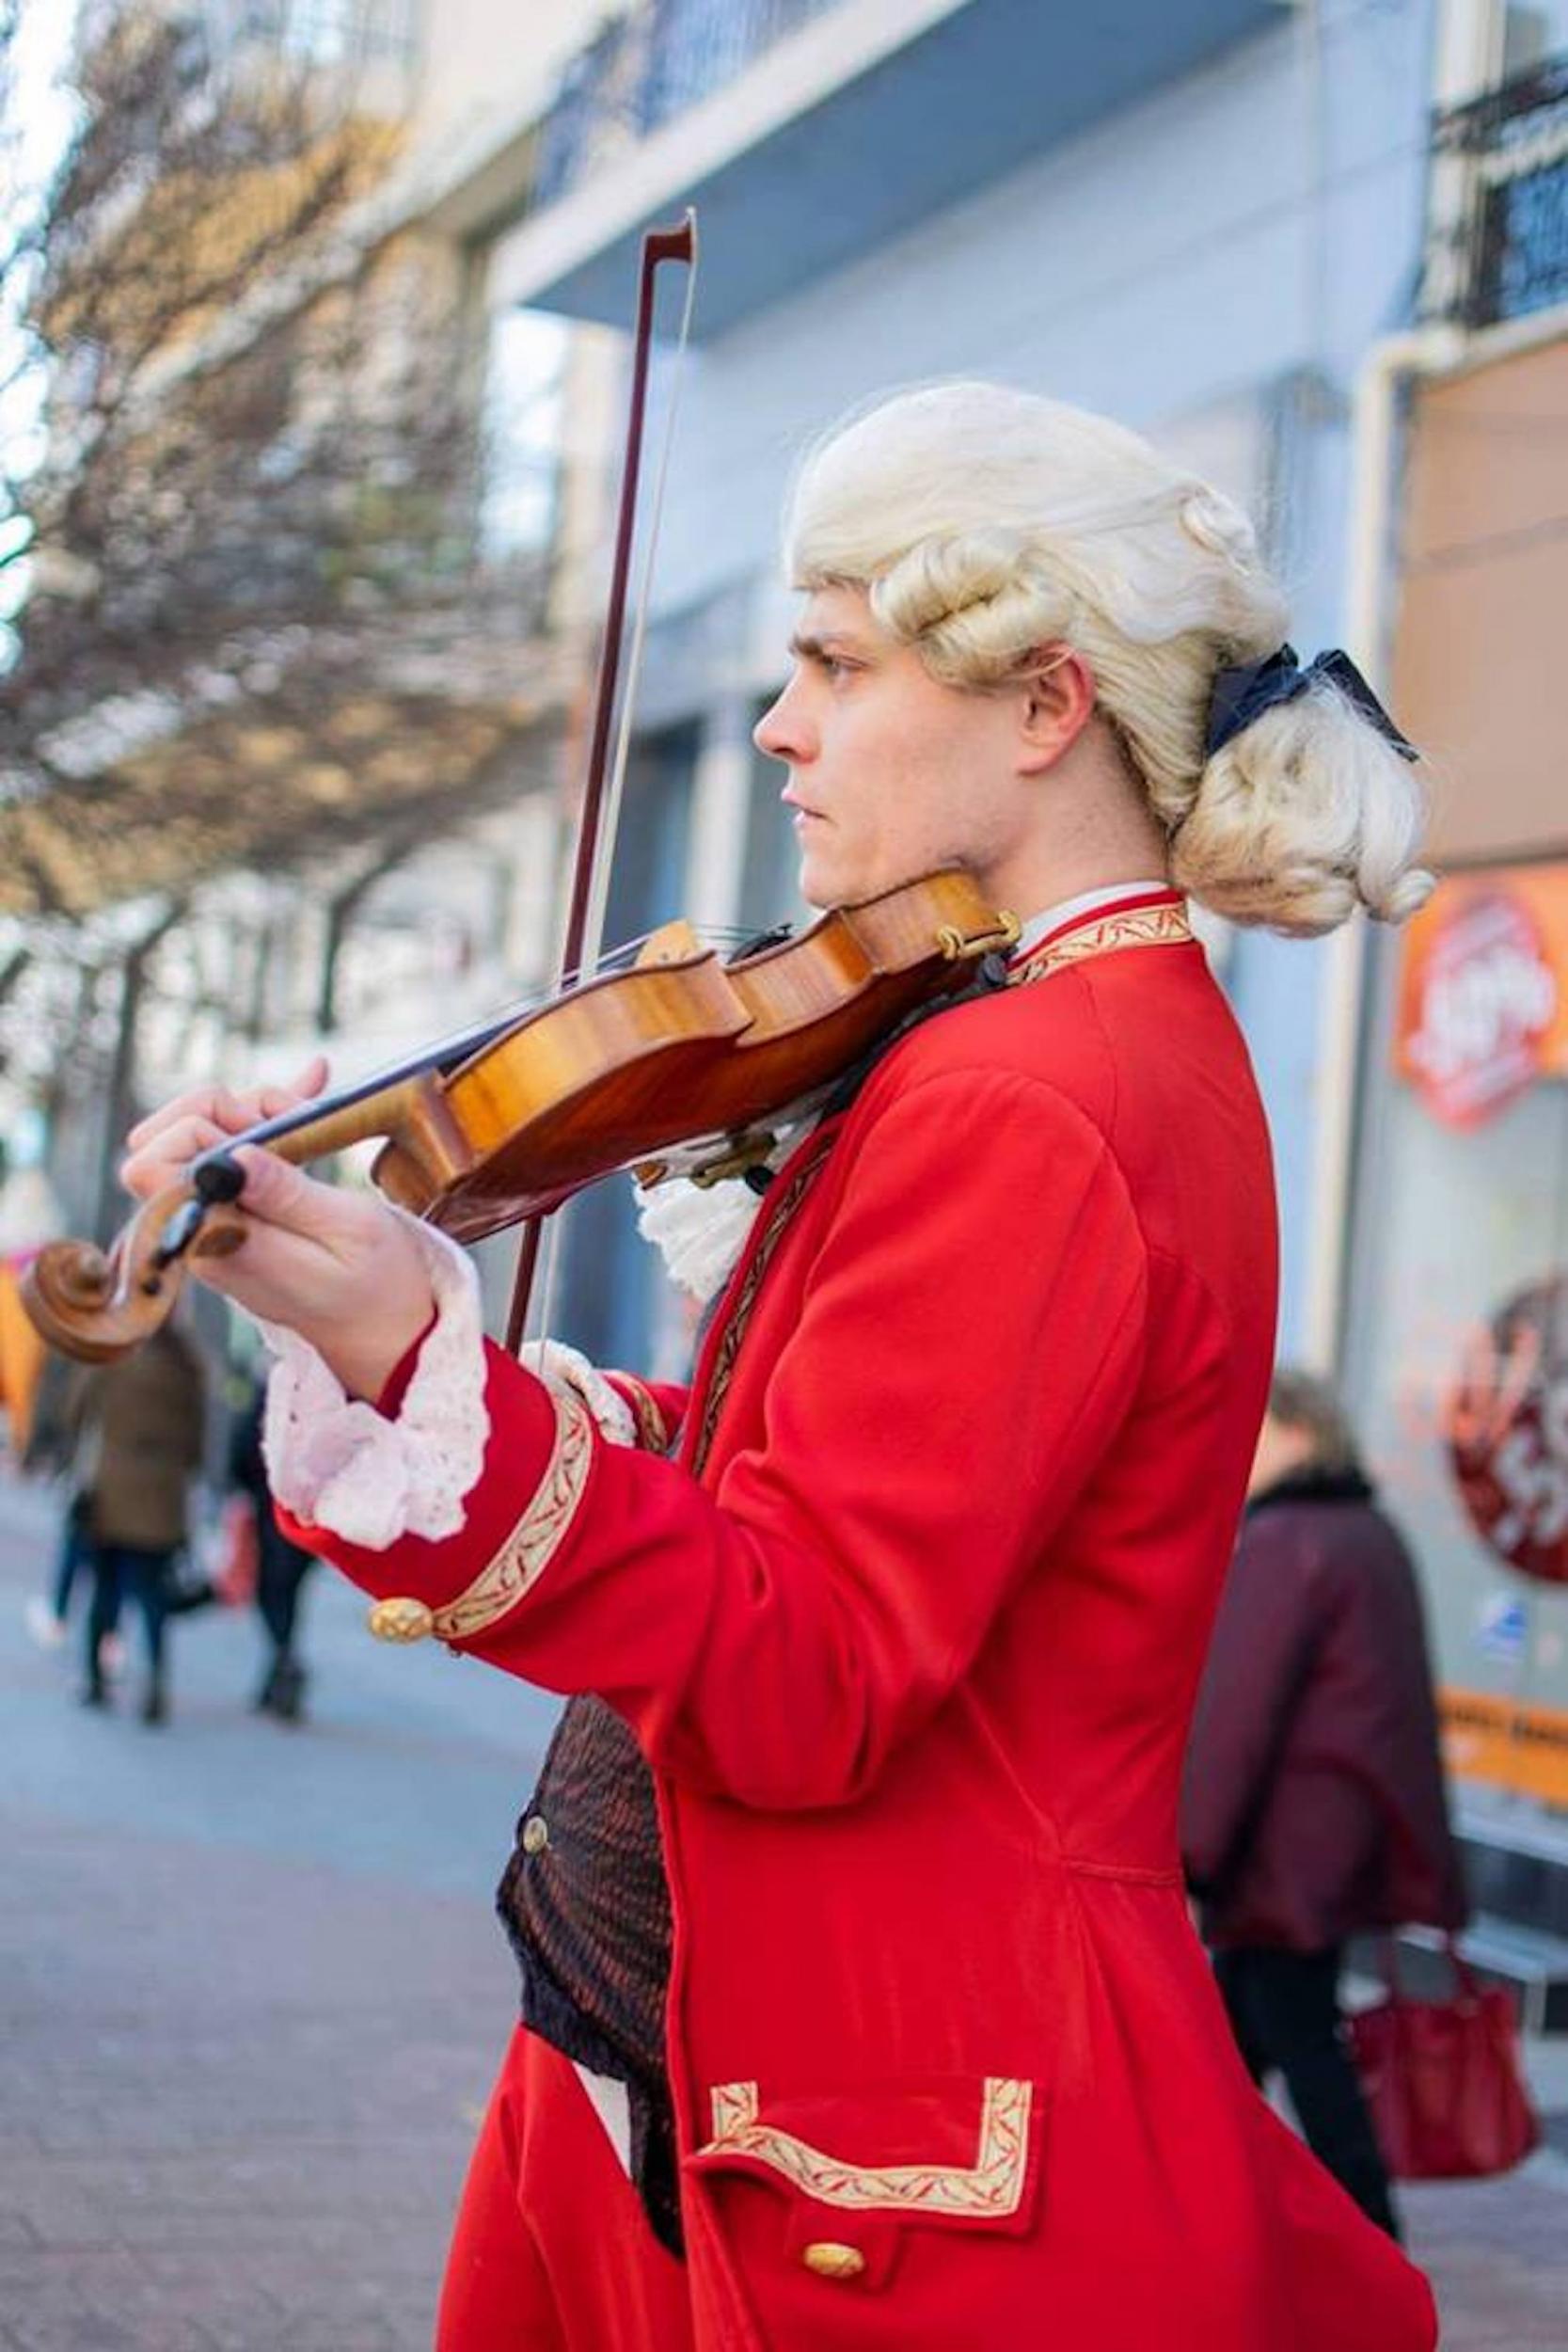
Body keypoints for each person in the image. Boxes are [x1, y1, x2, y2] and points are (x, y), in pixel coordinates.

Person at [119, 383, 1439, 2350]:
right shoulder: (1070, 1037)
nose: (775, 728)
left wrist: (420, 1356)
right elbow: (791, 1469)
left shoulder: (1030, 1087)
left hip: (874, 2140)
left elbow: (804, 1665)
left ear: (1042, 704)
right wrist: (388, 1320)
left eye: (831, 661)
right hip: (765, 2060)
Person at [1182, 1366, 1467, 2240]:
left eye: (1256, 1428)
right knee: (1234, 2052)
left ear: (1298, 1433)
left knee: (1299, 2049)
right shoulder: (1364, 1532)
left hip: (1281, 1858)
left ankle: (1368, 2235)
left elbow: (1236, 1714)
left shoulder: (1287, 1542)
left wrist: (1189, 1846)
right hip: (1328, 1845)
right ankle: (1221, 2217)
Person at [72, 1320, 206, 1724]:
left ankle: (96, 1679)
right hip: (163, 1500)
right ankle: (156, 1683)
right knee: (152, 1599)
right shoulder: (186, 1368)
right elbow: (197, 1446)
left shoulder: (112, 1358)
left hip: (111, 1495)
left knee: (105, 1592)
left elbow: (75, 1411)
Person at [228, 1378, 317, 1720]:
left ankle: (283, 1660)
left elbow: (245, 1447)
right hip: (312, 1517)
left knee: (269, 1594)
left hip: (274, 1511)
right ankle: (278, 1673)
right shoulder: (328, 1392)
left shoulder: (274, 1390)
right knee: (290, 1595)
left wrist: (245, 1484)